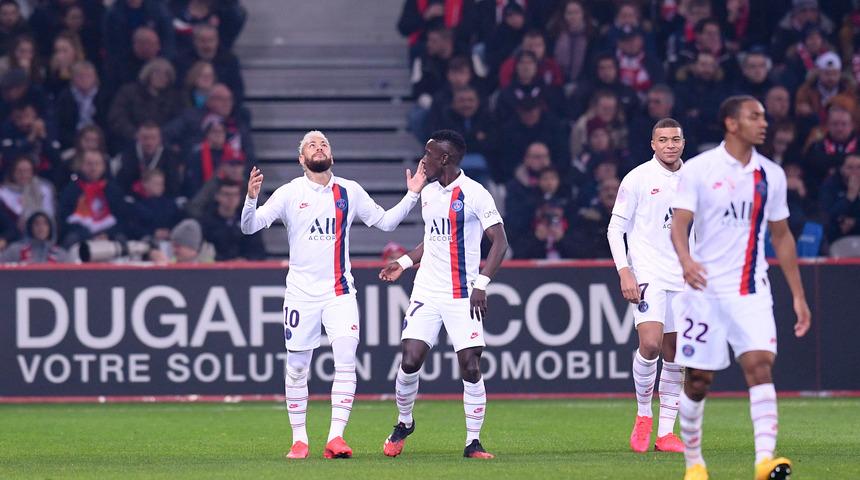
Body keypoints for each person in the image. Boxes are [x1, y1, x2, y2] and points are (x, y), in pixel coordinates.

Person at [240, 130, 426, 460]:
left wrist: (411, 195)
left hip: (339, 292)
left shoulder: (349, 192)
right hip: (300, 295)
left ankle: (335, 438)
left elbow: (384, 222)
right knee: (297, 367)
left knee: (345, 362)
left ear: (332, 156)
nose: (318, 146)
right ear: (301, 159)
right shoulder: (289, 193)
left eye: (324, 143)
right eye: (311, 144)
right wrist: (251, 199)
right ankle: (299, 439)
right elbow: (250, 226)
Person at [669, 95, 811, 480]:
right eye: (755, 116)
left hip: (751, 289)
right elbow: (678, 224)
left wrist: (798, 295)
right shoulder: (699, 170)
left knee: (760, 365)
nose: (764, 123)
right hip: (703, 293)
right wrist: (686, 260)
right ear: (732, 123)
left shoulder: (771, 175)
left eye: (764, 117)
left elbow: (782, 237)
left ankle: (764, 461)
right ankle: (694, 464)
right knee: (698, 381)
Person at [377, 129, 507, 459]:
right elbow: (432, 240)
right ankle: (404, 422)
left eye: (429, 153)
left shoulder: (476, 194)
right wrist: (404, 262)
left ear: (445, 158)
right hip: (428, 290)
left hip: (464, 293)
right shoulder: (428, 193)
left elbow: (499, 241)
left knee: (471, 366)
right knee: (410, 360)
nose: (424, 159)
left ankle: (473, 442)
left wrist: (481, 284)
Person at [607, 118, 686, 454]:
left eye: (675, 139)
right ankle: (643, 414)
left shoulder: (695, 179)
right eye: (663, 140)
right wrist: (625, 272)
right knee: (651, 345)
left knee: (677, 354)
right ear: (653, 144)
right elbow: (615, 230)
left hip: (684, 277)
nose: (670, 145)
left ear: (683, 142)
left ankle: (666, 433)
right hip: (649, 272)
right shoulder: (637, 178)